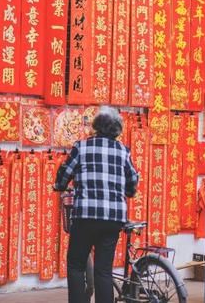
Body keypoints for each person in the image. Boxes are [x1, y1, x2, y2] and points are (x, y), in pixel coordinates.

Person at [54, 106, 139, 303]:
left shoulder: (81, 147)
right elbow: (132, 184)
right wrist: (126, 191)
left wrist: (59, 185)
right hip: (113, 219)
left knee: (76, 264)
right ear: (117, 129)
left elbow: (64, 174)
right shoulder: (123, 151)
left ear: (96, 126)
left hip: (85, 216)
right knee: (104, 270)